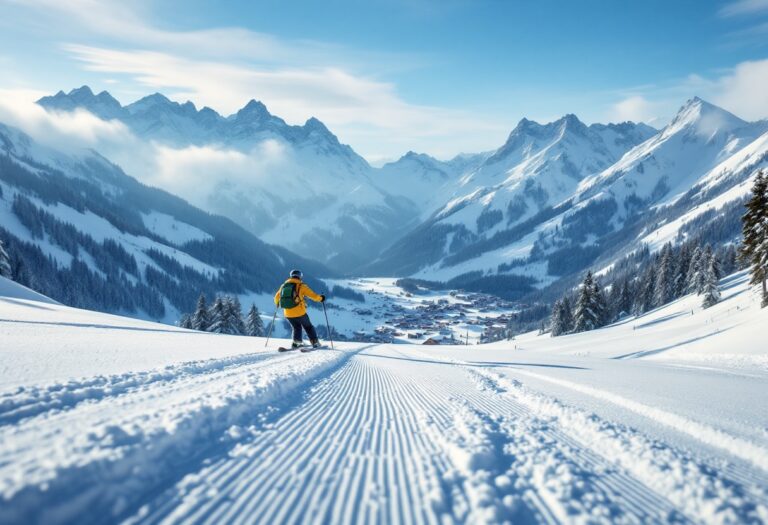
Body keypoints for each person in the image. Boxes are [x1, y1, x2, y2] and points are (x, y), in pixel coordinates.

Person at [274, 269, 326, 348]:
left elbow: (276, 298)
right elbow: (313, 296)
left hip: (287, 313)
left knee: (296, 327)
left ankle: (297, 342)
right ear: (300, 277)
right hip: (300, 312)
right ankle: (315, 342)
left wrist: (278, 304)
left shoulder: (283, 286)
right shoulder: (302, 286)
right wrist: (321, 298)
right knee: (308, 326)